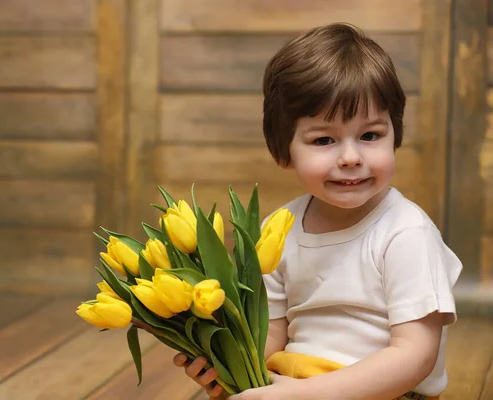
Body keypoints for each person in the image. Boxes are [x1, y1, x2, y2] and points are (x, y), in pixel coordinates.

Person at [172, 23, 462, 400]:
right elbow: (270, 336)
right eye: (324, 140)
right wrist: (227, 369)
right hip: (296, 379)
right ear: (284, 150)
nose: (351, 158)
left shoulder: (405, 232)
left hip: (388, 391)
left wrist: (300, 395)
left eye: (370, 135)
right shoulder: (280, 230)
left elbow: (414, 357)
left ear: (396, 133)